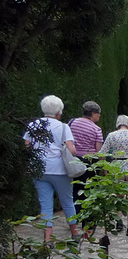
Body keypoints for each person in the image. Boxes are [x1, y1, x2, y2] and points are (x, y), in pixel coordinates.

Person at [23, 95, 80, 243]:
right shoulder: (63, 127)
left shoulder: (33, 124)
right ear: (58, 112)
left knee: (45, 205)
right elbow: (71, 150)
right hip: (60, 170)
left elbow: (27, 144)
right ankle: (74, 233)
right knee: (67, 201)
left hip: (39, 169)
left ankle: (47, 240)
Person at [99, 115, 128, 235]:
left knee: (118, 195)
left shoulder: (111, 135)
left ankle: (119, 222)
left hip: (116, 167)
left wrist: (105, 167)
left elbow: (102, 153)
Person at [68, 100, 103, 211]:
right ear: (93, 114)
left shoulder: (71, 123)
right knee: (89, 188)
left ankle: (76, 213)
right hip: (89, 162)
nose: (99, 116)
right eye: (99, 114)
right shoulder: (96, 129)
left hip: (73, 160)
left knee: (75, 187)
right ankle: (87, 215)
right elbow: (99, 150)